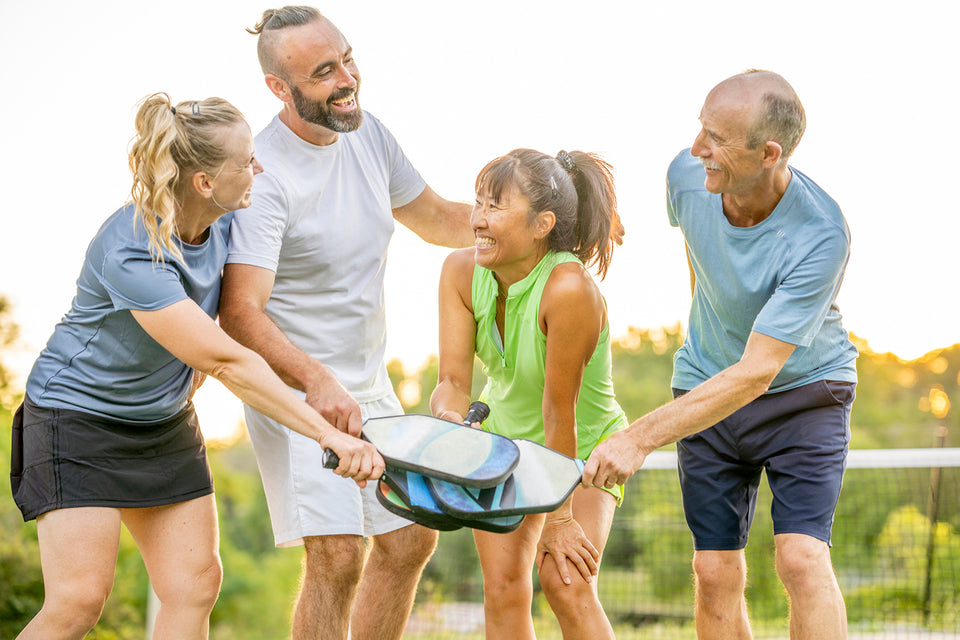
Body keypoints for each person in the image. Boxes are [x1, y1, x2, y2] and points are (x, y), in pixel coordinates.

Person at [9, 93, 384, 640]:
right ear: (206, 183)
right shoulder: (131, 249)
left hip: (161, 423)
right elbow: (224, 357)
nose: (259, 167)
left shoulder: (231, 222)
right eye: (246, 161)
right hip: (76, 421)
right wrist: (329, 434)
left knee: (195, 584)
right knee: (78, 601)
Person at [217, 7, 475, 640]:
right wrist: (314, 380)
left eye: (348, 58)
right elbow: (239, 312)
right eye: (324, 71)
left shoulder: (371, 136)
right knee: (335, 554)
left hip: (368, 383)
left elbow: (439, 219)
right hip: (297, 391)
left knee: (411, 535)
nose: (347, 78)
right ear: (280, 88)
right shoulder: (265, 174)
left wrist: (540, 218)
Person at [583, 70, 859, 639]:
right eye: (699, 129)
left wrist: (636, 438)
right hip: (706, 384)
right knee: (713, 570)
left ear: (769, 153)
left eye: (717, 138)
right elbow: (700, 257)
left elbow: (759, 371)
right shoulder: (687, 178)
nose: (696, 149)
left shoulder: (821, 234)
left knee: (801, 560)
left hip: (804, 396)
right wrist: (707, 334)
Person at [430, 148, 627, 640]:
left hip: (581, 450)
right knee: (502, 591)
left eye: (496, 206)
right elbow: (453, 382)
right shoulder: (459, 273)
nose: (478, 218)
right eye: (478, 203)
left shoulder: (568, 288)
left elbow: (559, 411)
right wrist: (450, 418)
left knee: (565, 582)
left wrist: (559, 518)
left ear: (543, 224)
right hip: (506, 447)